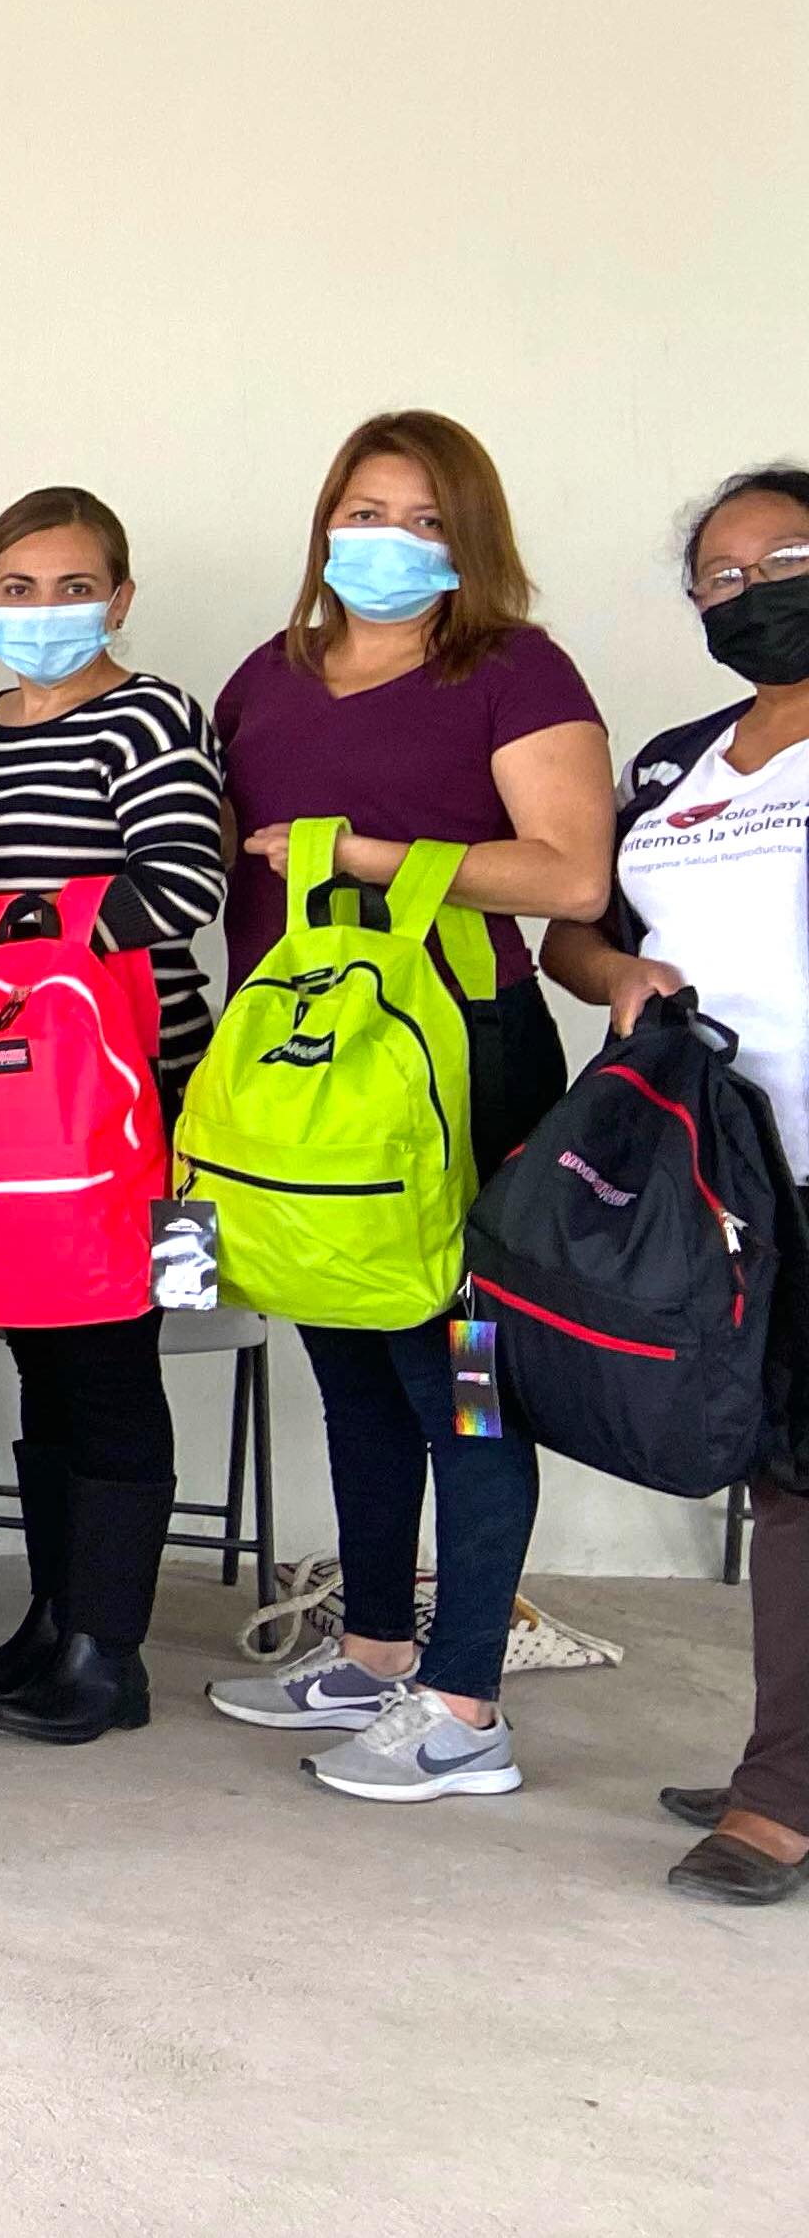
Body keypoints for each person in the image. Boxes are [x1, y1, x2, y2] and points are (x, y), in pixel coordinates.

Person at [199, 412, 613, 1802]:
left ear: (471, 539)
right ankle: (374, 1649)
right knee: (355, 1362)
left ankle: (465, 1703)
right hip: (307, 1078)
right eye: (365, 510)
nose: (387, 540)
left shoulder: (513, 668)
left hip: (462, 1062)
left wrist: (383, 857)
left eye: (425, 520)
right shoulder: (267, 675)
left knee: (468, 1386)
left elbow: (567, 879)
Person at [0, 486, 226, 1744]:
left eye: (73, 587)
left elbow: (183, 884)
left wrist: (11, 926)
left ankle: (112, 1652)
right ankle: (53, 1618)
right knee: (42, 1356)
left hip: (123, 1089)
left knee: (103, 1359)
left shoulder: (150, 714)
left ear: (122, 597)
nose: (44, 612)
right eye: (18, 588)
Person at [541, 461, 809, 1895]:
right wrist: (621, 971)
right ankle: (789, 1751)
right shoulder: (675, 761)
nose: (754, 590)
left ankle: (780, 1795)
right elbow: (576, 934)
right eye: (725, 574)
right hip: (722, 1175)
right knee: (771, 1459)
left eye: (786, 561)